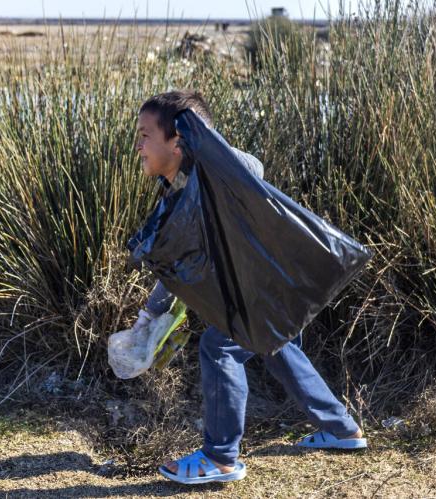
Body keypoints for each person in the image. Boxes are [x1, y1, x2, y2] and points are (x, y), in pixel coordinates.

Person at [132, 90, 367, 485]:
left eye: (144, 135)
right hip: (265, 286)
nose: (138, 145)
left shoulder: (215, 174)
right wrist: (150, 316)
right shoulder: (180, 187)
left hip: (275, 281)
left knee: (218, 345)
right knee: (276, 347)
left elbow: (251, 165)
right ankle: (342, 429)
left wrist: (208, 150)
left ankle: (221, 458)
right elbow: (179, 261)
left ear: (179, 141)